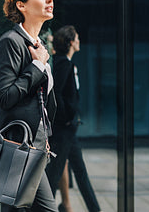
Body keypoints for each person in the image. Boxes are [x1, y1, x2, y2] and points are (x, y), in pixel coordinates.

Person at [0, 0, 58, 212]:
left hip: (33, 148)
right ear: (21, 4)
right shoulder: (11, 42)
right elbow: (4, 97)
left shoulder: (39, 46)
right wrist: (36, 67)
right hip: (17, 148)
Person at [45, 25, 102, 212]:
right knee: (53, 177)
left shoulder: (66, 63)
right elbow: (57, 95)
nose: (79, 41)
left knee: (80, 172)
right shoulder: (63, 64)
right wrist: (68, 116)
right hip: (64, 130)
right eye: (77, 38)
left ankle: (95, 209)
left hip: (69, 130)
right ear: (71, 42)